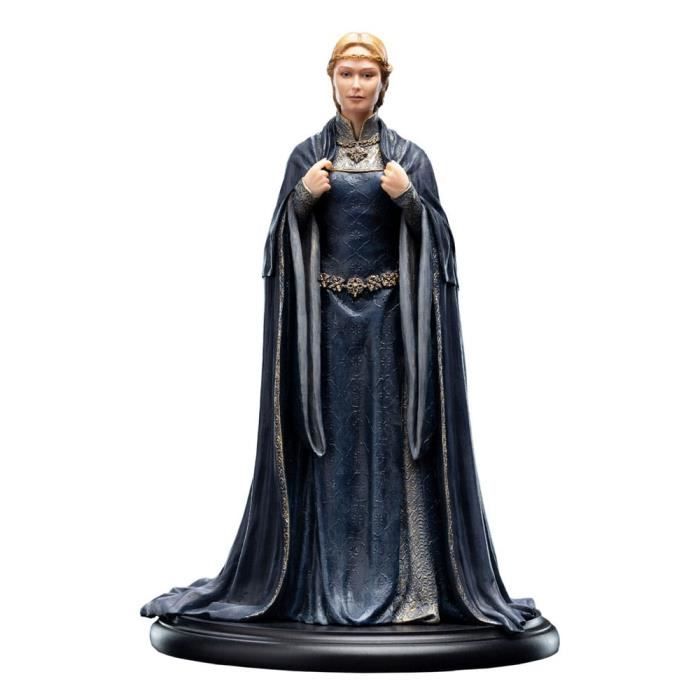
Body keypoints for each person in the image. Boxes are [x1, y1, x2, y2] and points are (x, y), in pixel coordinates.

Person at [140, 32, 541, 632]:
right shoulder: (306, 156)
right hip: (322, 330)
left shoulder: (410, 158)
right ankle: (315, 584)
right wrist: (301, 201)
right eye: (347, 73)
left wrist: (411, 203)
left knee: (394, 445)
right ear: (331, 79)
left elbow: (443, 250)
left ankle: (412, 589)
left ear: (384, 83)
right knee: (326, 447)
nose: (357, 84)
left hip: (391, 331)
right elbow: (277, 246)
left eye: (367, 74)